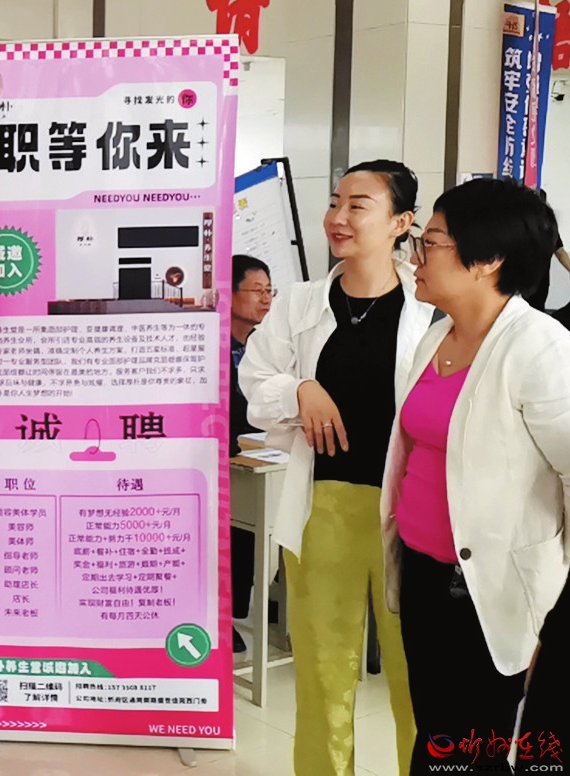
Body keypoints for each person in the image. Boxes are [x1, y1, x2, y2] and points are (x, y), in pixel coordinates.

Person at [240, 160, 431, 776]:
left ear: (401, 222)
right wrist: (299, 388)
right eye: (334, 201)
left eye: (358, 205)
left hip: (413, 513)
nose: (338, 217)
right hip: (322, 508)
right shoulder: (300, 302)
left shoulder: (432, 306)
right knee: (323, 675)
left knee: (417, 677)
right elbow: (254, 379)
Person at [384, 178, 570, 774]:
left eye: (432, 241)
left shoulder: (539, 347)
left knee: (473, 746)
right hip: (422, 570)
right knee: (438, 732)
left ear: (487, 260)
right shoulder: (436, 334)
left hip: (489, 585)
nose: (416, 255)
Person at [230, 254, 273, 653]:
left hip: (256, 455)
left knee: (250, 536)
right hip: (220, 460)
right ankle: (219, 616)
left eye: (269, 290)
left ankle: (236, 611)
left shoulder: (261, 347)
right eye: (256, 290)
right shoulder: (209, 347)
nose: (266, 299)